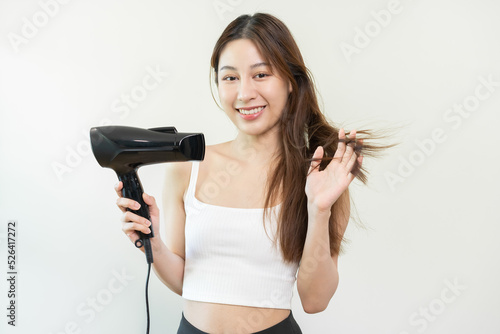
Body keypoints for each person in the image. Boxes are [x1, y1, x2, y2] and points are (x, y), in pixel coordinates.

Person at [115, 13, 391, 334]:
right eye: (230, 78)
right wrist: (153, 244)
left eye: (260, 74)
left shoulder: (320, 175)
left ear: (290, 81)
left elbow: (315, 300)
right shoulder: (187, 168)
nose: (244, 93)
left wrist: (318, 210)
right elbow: (186, 281)